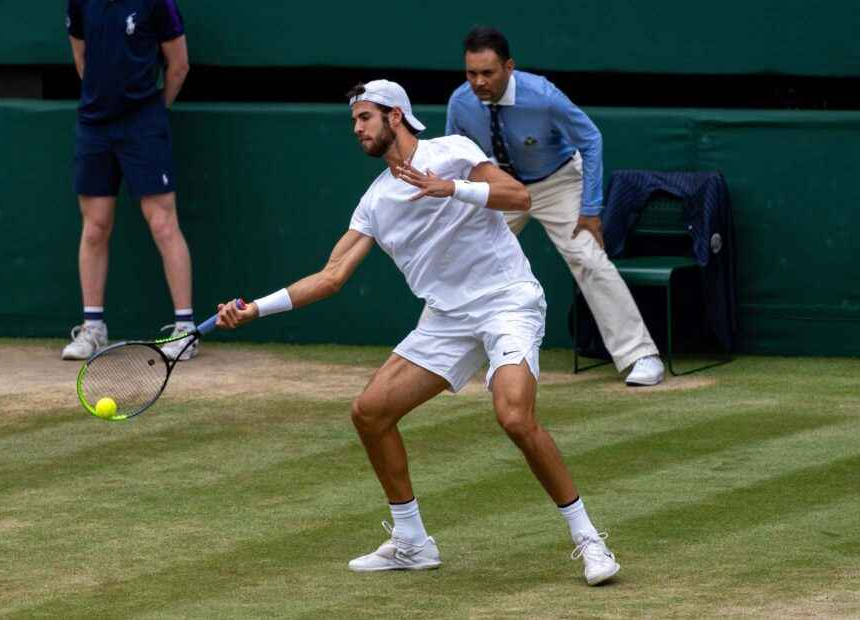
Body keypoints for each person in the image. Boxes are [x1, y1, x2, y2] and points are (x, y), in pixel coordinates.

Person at [214, 80, 621, 586]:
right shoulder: (374, 202)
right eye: (354, 121)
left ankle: (589, 539)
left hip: (506, 302)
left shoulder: (451, 152)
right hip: (446, 322)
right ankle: (411, 542)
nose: (357, 128)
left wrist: (452, 188)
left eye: (364, 117)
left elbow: (519, 196)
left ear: (396, 116)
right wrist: (254, 310)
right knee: (370, 412)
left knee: (514, 416)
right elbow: (331, 275)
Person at [445, 26, 664, 386]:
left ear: (509, 67)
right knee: (463, 257)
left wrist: (590, 210)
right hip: (503, 184)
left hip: (557, 181)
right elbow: (458, 154)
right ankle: (439, 356)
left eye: (488, 73)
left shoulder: (542, 95)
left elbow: (591, 139)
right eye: (472, 74)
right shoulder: (461, 102)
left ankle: (640, 356)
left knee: (589, 258)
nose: (479, 82)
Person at [61, 0, 197, 361]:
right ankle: (93, 330)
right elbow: (82, 60)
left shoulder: (158, 3)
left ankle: (186, 330)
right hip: (94, 126)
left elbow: (179, 65)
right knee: (95, 227)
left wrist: (152, 113)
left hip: (144, 126)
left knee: (163, 223)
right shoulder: (79, 3)